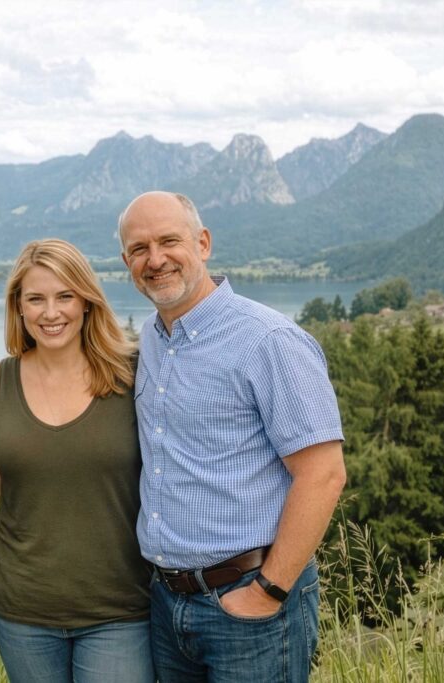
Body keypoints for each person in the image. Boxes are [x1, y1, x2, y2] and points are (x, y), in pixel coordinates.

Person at [118, 191, 347, 682]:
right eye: (139, 249)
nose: (154, 259)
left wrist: (269, 590)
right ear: (126, 262)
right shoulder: (154, 339)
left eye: (169, 241)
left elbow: (323, 474)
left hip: (248, 603)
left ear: (202, 243)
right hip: (167, 603)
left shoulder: (268, 340)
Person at [0, 238, 154, 682]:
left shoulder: (133, 373)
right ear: (19, 307)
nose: (51, 313)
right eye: (36, 299)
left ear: (87, 301)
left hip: (119, 607)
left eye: (64, 296)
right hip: (21, 608)